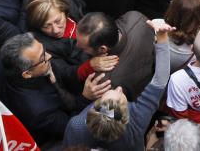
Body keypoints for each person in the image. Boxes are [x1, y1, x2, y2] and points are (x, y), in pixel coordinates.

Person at [63, 18, 174, 149]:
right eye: (120, 98)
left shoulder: (76, 126)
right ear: (127, 117)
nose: (119, 89)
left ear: (93, 109)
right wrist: (162, 37)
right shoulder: (137, 122)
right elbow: (160, 79)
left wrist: (85, 98)